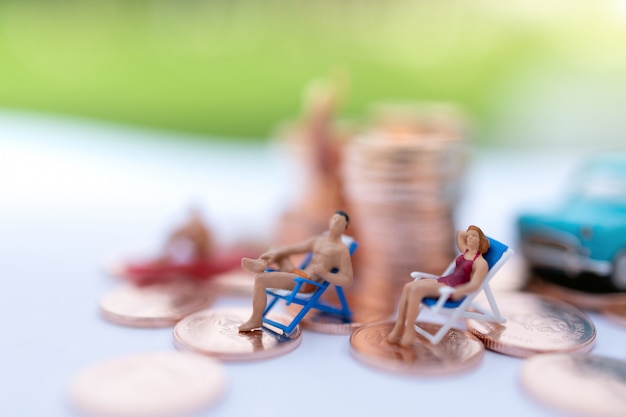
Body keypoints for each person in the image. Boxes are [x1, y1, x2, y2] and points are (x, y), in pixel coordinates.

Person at [238, 210, 354, 332]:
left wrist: (325, 273)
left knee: (261, 279)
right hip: (298, 274)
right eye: (334, 218)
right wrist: (274, 254)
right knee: (278, 248)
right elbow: (293, 249)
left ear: (344, 227)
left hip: (306, 282)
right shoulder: (318, 240)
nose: (336, 222)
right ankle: (262, 263)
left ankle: (256, 319)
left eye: (340, 221)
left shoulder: (341, 251)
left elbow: (347, 280)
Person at [387, 225, 490, 347]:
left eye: (473, 236)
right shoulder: (466, 251)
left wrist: (460, 290)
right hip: (445, 281)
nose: (469, 238)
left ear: (480, 241)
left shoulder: (481, 263)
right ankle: (399, 326)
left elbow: (475, 284)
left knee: (416, 290)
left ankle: (409, 330)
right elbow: (460, 234)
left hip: (451, 289)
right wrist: (472, 231)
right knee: (408, 286)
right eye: (468, 236)